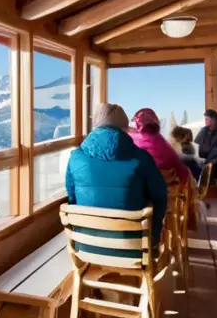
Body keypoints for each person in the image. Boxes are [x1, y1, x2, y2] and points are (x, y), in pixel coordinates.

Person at [65, 103, 167, 258]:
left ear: (96, 126)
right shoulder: (142, 158)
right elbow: (160, 197)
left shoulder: (75, 158)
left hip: (85, 246)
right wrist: (154, 236)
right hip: (134, 249)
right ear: (125, 128)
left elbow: (72, 199)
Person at [129, 108, 192, 185]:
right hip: (165, 193)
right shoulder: (162, 143)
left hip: (136, 191)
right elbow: (182, 171)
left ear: (136, 122)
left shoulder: (129, 141)